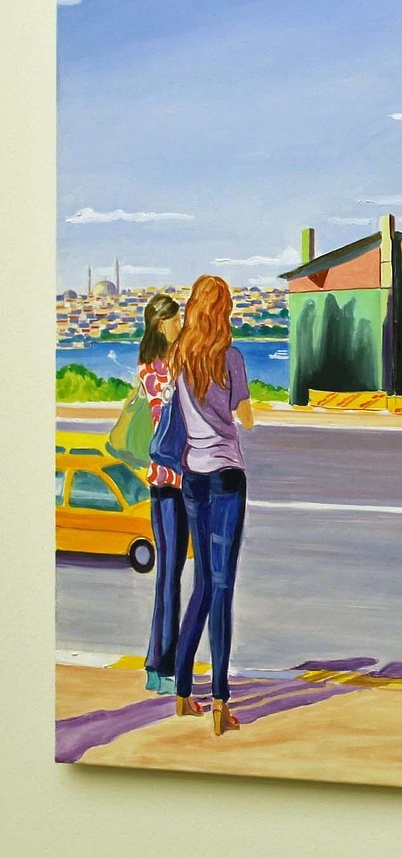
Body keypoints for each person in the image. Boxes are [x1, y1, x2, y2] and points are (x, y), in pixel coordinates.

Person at [169, 275, 254, 736]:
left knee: (201, 583)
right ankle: (220, 700)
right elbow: (246, 418)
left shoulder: (180, 356)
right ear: (223, 312)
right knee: (222, 587)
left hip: (192, 478)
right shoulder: (231, 357)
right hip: (226, 476)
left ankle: (183, 692)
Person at [138, 293, 185, 697]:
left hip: (168, 480)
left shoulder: (153, 365)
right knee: (170, 576)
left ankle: (159, 665)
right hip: (174, 481)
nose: (180, 324)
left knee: (170, 575)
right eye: (174, 319)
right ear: (160, 323)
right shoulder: (162, 368)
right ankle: (161, 665)